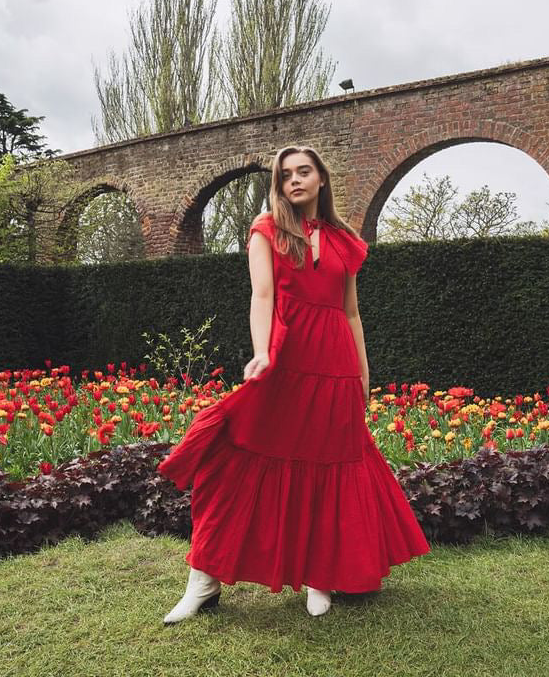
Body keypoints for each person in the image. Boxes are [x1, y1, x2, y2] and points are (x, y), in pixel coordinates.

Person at [158, 145, 430, 624]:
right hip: (284, 362)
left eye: (304, 172)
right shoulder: (267, 230)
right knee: (234, 462)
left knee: (329, 469)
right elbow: (261, 296)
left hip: (337, 368)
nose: (295, 181)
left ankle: (318, 575)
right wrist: (262, 351)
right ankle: (203, 580)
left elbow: (350, 313)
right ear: (279, 185)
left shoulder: (345, 240)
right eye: (286, 176)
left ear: (321, 178)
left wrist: (364, 373)